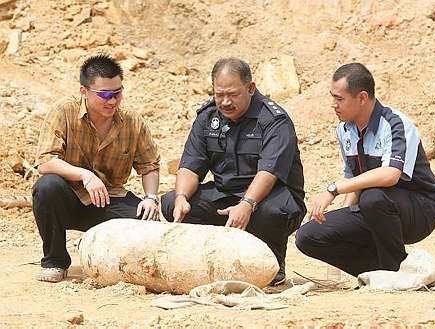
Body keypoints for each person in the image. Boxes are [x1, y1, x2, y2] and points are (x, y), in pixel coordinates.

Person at [161, 57, 306, 286]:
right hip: (226, 195)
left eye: (233, 94)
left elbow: (268, 172)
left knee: (271, 212)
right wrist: (181, 198)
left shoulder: (274, 120)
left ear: (251, 88)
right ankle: (210, 263)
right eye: (220, 95)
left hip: (270, 196)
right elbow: (190, 165)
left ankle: (271, 267)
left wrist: (247, 204)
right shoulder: (208, 117)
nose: (225, 102)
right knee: (171, 202)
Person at [295, 63, 435, 277]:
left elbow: (390, 175)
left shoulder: (395, 124)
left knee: (373, 197)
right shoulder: (344, 129)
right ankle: (388, 271)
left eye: (339, 99)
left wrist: (334, 188)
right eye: (333, 98)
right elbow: (356, 180)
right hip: (375, 207)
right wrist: (342, 221)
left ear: (362, 98)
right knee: (308, 236)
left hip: (421, 208)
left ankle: (392, 268)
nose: (333, 105)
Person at [32, 54, 160, 283]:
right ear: (84, 92)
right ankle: (55, 261)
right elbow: (46, 161)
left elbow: (149, 165)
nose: (112, 101)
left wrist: (150, 197)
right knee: (47, 186)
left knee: (149, 223)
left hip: (109, 199)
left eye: (117, 93)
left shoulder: (133, 122)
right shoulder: (63, 111)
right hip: (69, 197)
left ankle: (120, 267)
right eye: (105, 95)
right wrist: (85, 175)